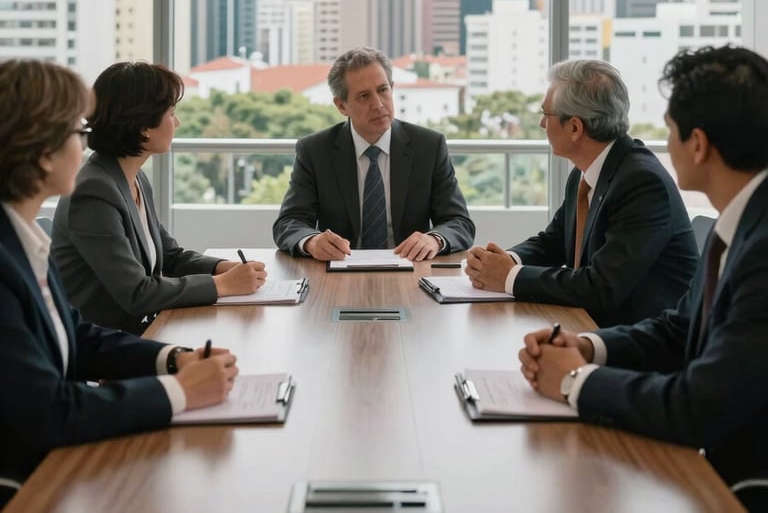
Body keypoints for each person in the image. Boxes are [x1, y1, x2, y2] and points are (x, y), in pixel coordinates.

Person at [519, 46, 768, 502]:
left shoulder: (760, 246)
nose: (661, 144)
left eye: (668, 129)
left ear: (698, 144)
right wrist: (586, 347)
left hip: (735, 482)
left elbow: (698, 408)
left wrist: (575, 380)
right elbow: (680, 329)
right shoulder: (737, 223)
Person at [0, 59, 239, 506]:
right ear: (41, 150)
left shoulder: (22, 238)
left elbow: (79, 338)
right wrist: (179, 392)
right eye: (76, 130)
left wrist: (175, 360)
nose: (86, 139)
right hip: (30, 483)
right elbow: (49, 412)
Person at [465, 59, 698, 327]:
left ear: (575, 127)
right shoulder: (585, 172)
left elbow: (601, 287)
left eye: (546, 114)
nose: (542, 124)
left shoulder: (642, 183)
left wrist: (510, 277)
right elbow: (554, 241)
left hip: (637, 342)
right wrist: (503, 261)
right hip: (591, 326)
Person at [53, 62, 267, 334]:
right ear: (143, 126)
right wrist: (223, 285)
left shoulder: (134, 179)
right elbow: (137, 293)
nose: (176, 122)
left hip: (143, 329)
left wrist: (226, 268)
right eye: (171, 113)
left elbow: (170, 256)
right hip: (105, 345)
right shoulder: (93, 191)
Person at [273, 47, 475, 260]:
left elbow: (459, 222)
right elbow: (289, 222)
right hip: (339, 274)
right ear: (342, 106)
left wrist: (434, 239)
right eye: (363, 96)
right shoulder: (315, 151)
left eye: (383, 90)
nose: (378, 104)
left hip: (410, 272)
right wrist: (312, 241)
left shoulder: (428, 146)